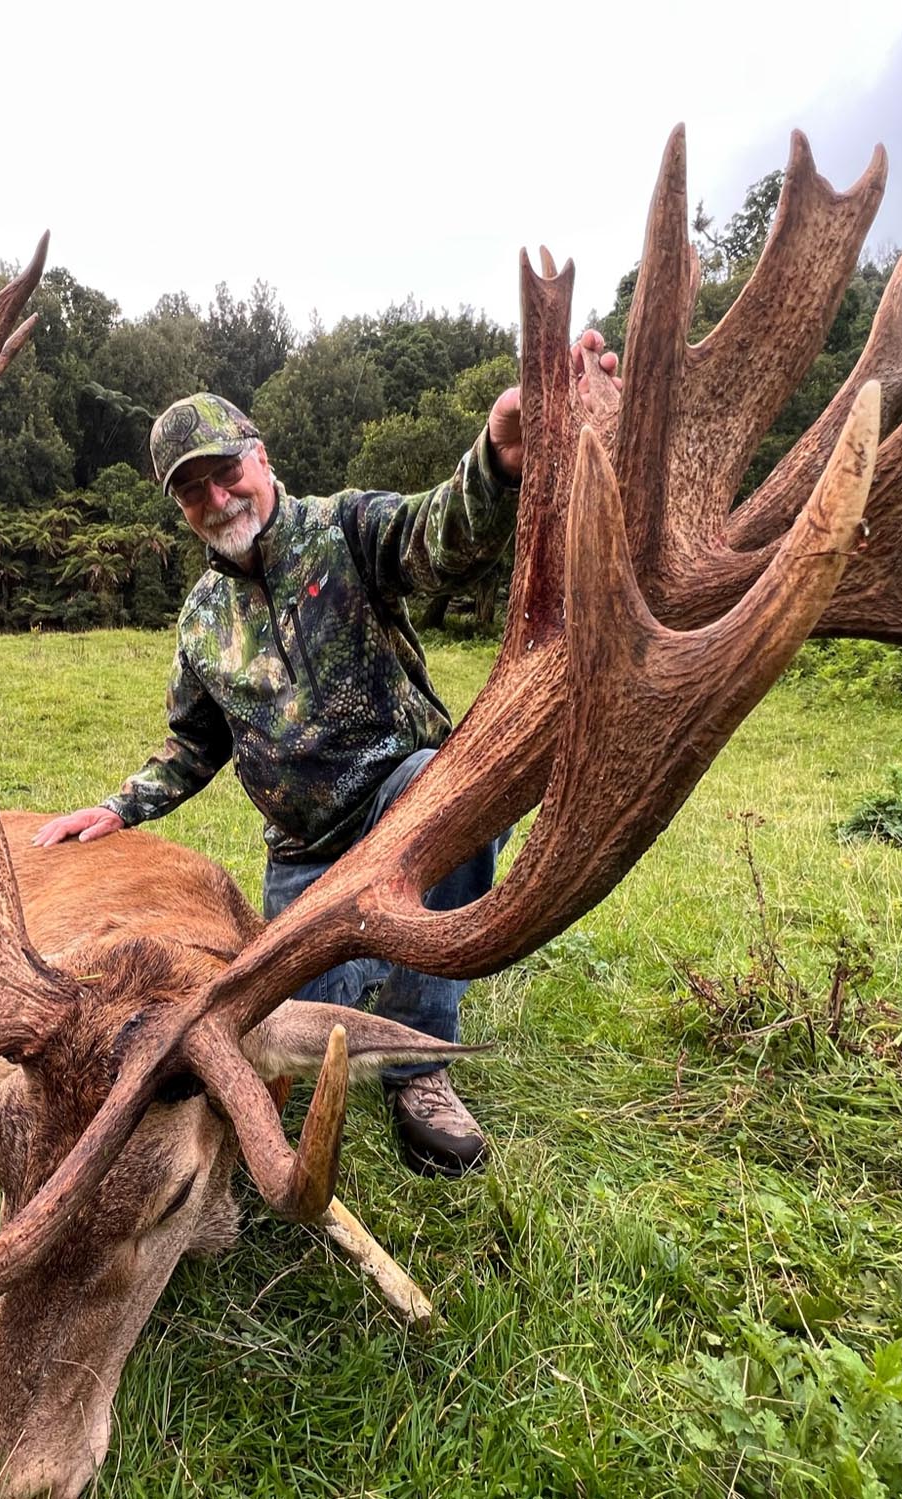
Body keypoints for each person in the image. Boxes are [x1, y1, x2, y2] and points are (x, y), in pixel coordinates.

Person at [34, 332, 620, 1175]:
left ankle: (420, 1067)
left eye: (225, 471)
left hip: (402, 800)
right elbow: (194, 744)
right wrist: (118, 807)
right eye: (192, 489)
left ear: (260, 457)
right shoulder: (201, 620)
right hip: (304, 853)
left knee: (446, 792)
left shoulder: (344, 529)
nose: (216, 497)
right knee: (295, 1040)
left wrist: (496, 460)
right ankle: (377, 958)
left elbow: (439, 536)